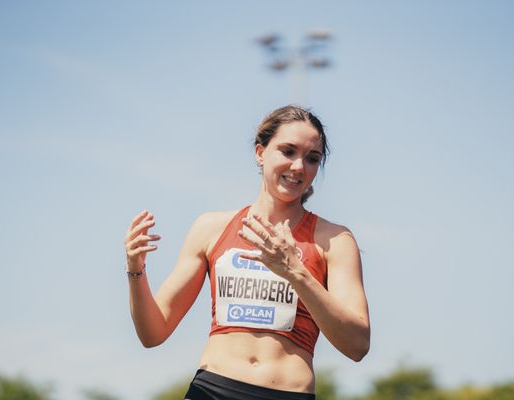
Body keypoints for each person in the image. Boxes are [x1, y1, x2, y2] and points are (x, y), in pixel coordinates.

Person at [123, 105, 370, 400]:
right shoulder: (211, 227)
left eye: (312, 158)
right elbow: (153, 333)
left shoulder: (334, 240)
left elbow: (357, 345)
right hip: (212, 389)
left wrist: (295, 272)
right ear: (260, 152)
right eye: (288, 151)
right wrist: (136, 271)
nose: (298, 167)